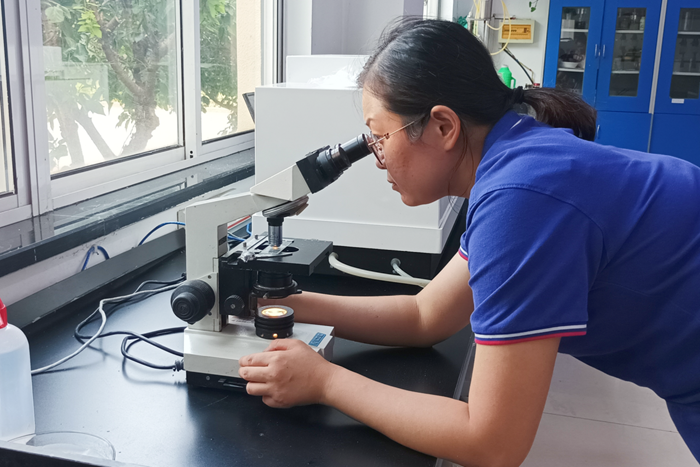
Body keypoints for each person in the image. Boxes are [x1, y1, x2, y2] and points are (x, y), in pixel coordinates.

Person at [239, 18, 700, 466]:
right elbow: (425, 316)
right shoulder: (518, 161)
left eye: (380, 138)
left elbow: (493, 443)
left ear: (444, 126)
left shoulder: (521, 198)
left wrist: (325, 382)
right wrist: (277, 303)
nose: (377, 159)